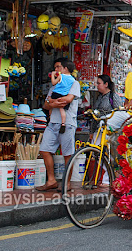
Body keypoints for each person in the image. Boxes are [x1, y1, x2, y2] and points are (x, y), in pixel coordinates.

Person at [37, 58, 81, 191]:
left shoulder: (74, 83)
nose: (55, 70)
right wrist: (53, 103)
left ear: (65, 69)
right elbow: (46, 104)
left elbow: (67, 100)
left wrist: (53, 102)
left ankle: (66, 183)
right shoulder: (55, 85)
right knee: (44, 150)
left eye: (58, 67)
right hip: (53, 122)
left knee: (67, 154)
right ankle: (51, 180)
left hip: (67, 123)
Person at [91, 74, 127, 139]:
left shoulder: (113, 97)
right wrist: (91, 131)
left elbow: (119, 113)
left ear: (106, 84)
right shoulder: (99, 97)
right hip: (98, 130)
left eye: (99, 83)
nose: (97, 86)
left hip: (109, 131)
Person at [49, 60, 76, 134]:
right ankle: (63, 123)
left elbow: (54, 83)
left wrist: (52, 75)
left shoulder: (61, 76)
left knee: (50, 102)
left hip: (56, 93)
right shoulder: (73, 80)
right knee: (62, 110)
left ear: (65, 69)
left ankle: (50, 116)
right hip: (64, 95)